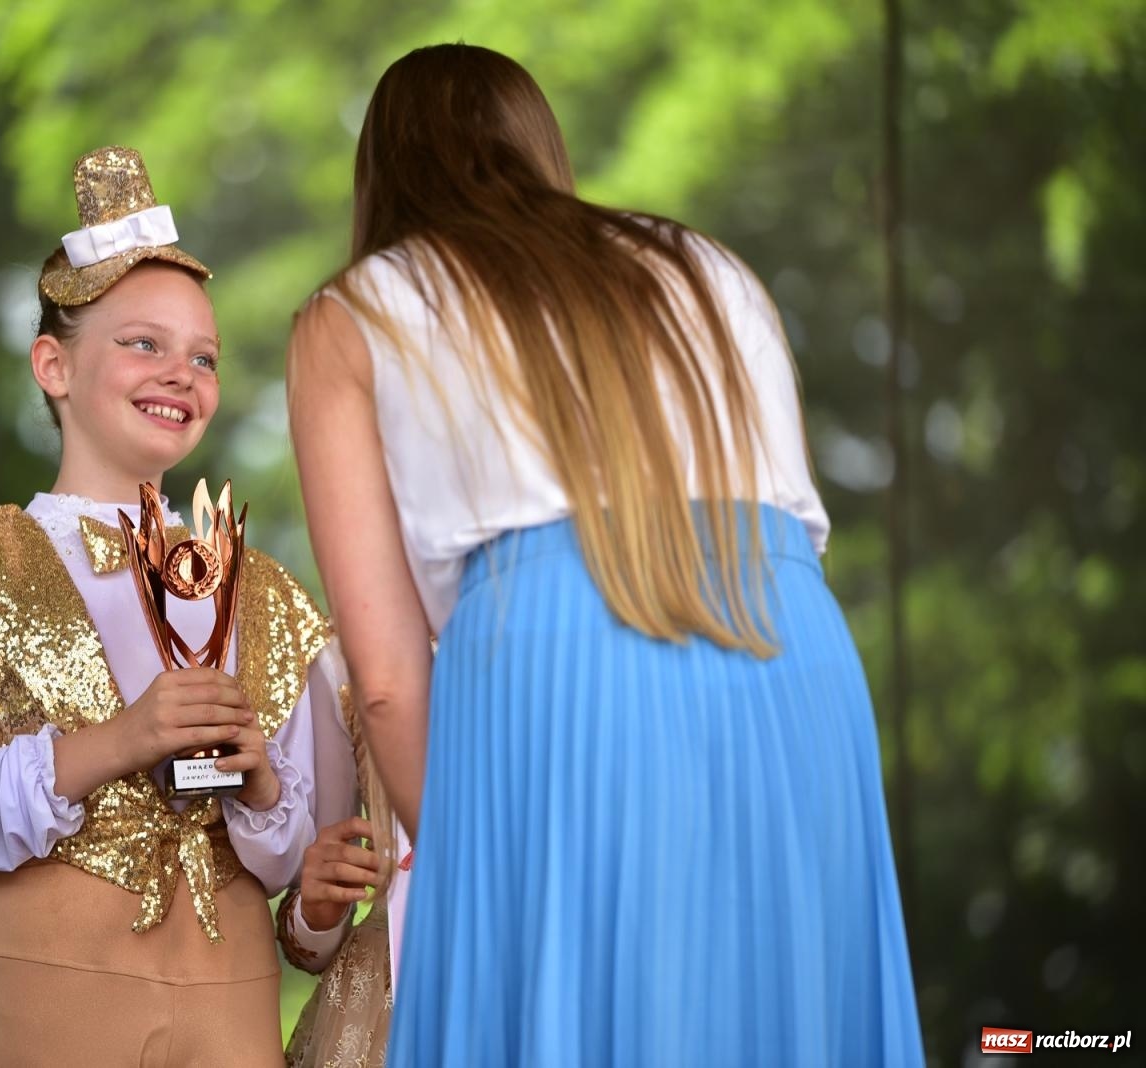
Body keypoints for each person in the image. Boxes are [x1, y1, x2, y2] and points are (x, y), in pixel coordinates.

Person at [285, 44, 925, 1067]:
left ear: (380, 172)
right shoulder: (701, 263)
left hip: (560, 658)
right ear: (542, 147)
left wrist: (472, 885)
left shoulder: (355, 313)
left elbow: (392, 684)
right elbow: (789, 531)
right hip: (788, 652)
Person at [0, 146, 338, 1067]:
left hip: (232, 1011)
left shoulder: (266, 592)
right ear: (54, 365)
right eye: (142, 343)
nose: (182, 374)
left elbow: (299, 873)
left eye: (204, 356)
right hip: (46, 1001)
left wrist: (265, 787)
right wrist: (116, 743)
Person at [276, 667, 412, 1068]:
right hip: (384, 996)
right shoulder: (344, 657)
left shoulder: (596, 630)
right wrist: (318, 913)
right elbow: (309, 946)